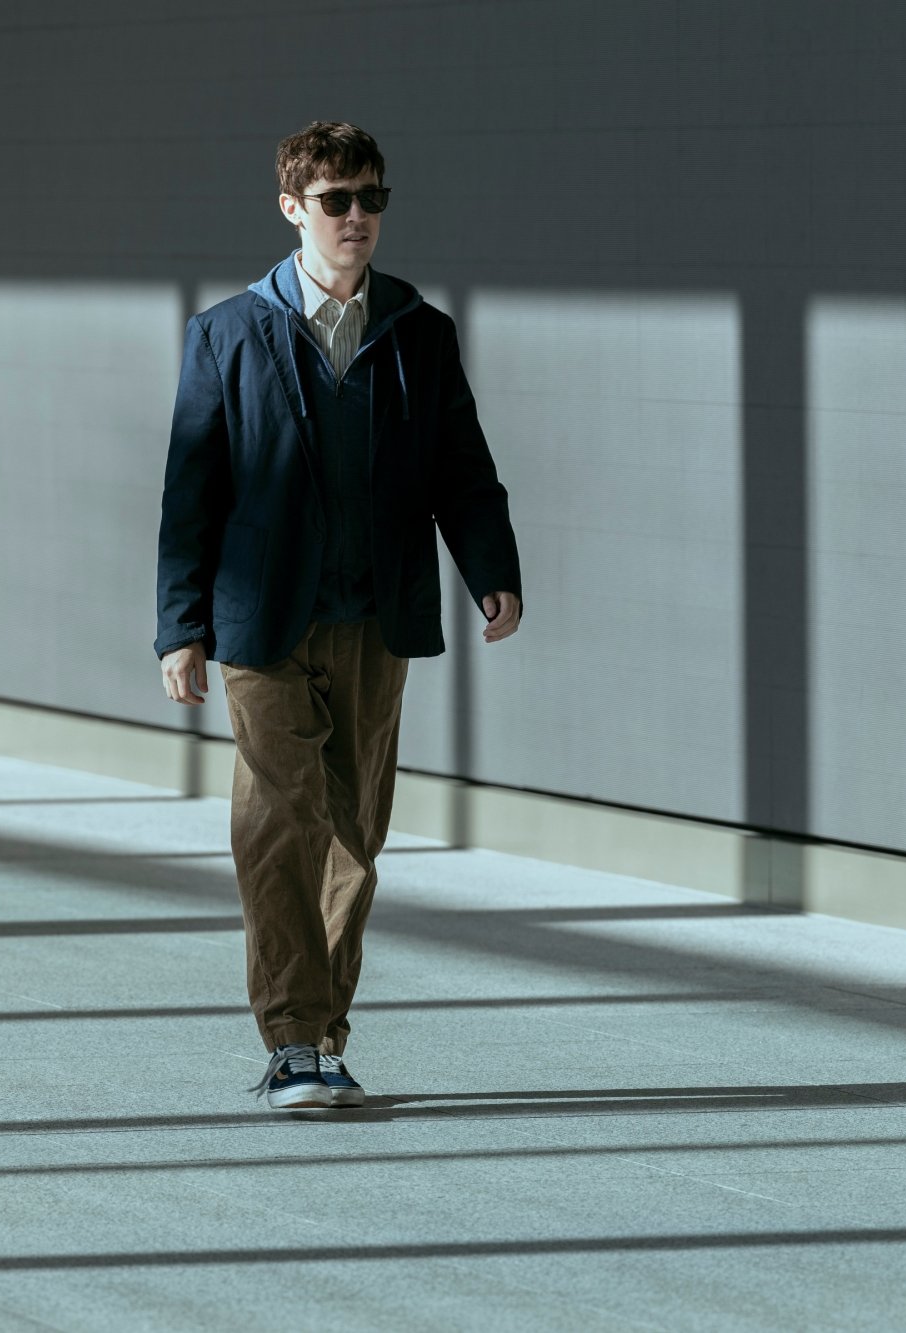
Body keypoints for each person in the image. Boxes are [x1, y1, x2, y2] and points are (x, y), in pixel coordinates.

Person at [153, 121, 522, 1111]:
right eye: (335, 201)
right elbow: (191, 492)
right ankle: (287, 1040)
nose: (356, 218)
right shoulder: (227, 333)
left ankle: (324, 1035)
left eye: (370, 199)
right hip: (261, 626)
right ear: (292, 208)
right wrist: (179, 626)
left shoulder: (418, 331)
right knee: (279, 821)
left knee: (353, 832)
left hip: (375, 621)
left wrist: (491, 569)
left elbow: (462, 470)